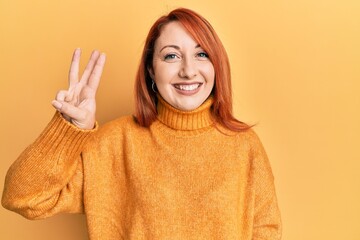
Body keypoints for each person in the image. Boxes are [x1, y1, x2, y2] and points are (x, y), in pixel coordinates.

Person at [2, 8, 281, 240]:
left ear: (216, 64)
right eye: (171, 55)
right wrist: (68, 129)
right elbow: (22, 196)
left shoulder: (244, 146)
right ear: (151, 68)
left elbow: (266, 232)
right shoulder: (115, 143)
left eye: (202, 54)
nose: (188, 70)